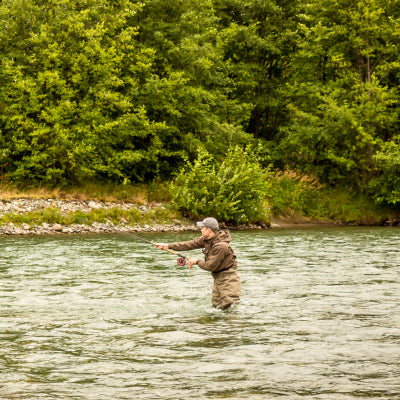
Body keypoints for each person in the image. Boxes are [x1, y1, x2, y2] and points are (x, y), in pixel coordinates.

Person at [155, 217, 241, 310]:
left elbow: (210, 266)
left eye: (202, 228)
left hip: (229, 279)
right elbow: (189, 244)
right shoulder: (207, 239)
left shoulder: (221, 246)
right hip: (218, 278)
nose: (200, 230)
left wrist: (197, 261)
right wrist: (168, 246)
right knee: (217, 307)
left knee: (229, 309)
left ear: (208, 230)